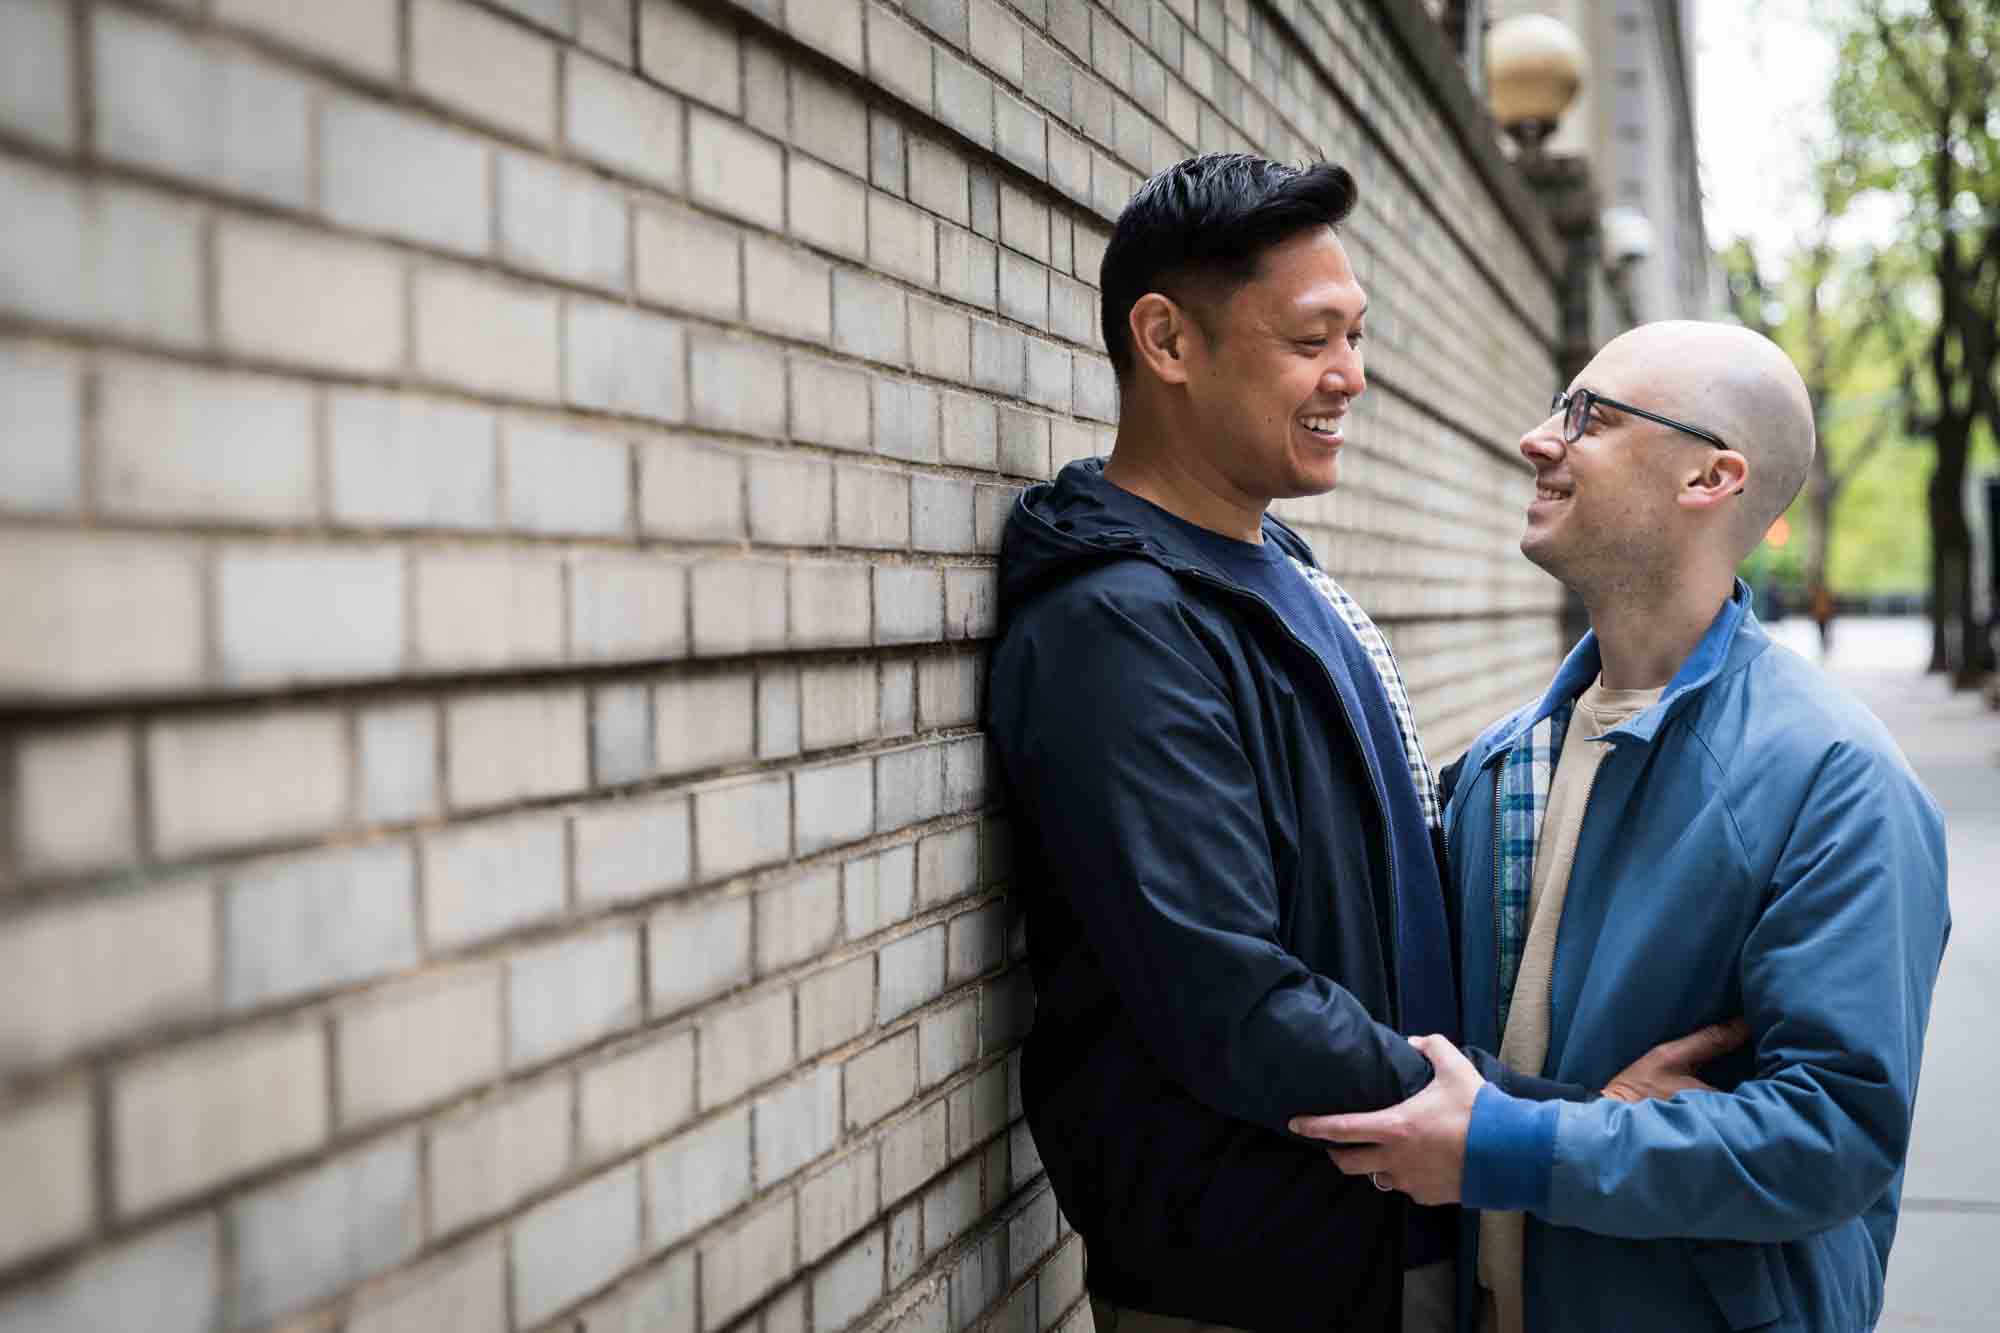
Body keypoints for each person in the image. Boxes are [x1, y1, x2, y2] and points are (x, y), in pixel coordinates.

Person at [985, 155, 1732, 1333]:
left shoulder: (1277, 567)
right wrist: (1544, 1114)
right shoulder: (1117, 628)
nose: (1351, 377)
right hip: (1254, 1275)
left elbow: (1368, 849)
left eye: (1358, 335)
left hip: (1385, 1232)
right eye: (1310, 341)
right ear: (1166, 342)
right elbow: (1227, 997)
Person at [1288, 321, 1951, 1333]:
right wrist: (1573, 1119)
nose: (1536, 438)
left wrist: (1516, 1144)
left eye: (1586, 417)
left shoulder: (1834, 780)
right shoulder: (1504, 766)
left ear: (1707, 477)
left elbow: (1832, 1135)